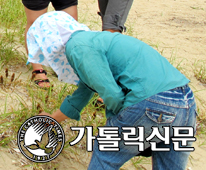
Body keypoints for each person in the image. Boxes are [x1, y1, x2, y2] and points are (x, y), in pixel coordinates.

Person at [27, 11, 196, 170]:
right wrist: (53, 119)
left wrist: (117, 124)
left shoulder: (78, 46)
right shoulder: (96, 41)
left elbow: (112, 94)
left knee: (105, 155)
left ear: (48, 40)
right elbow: (82, 95)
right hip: (185, 103)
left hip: (151, 102)